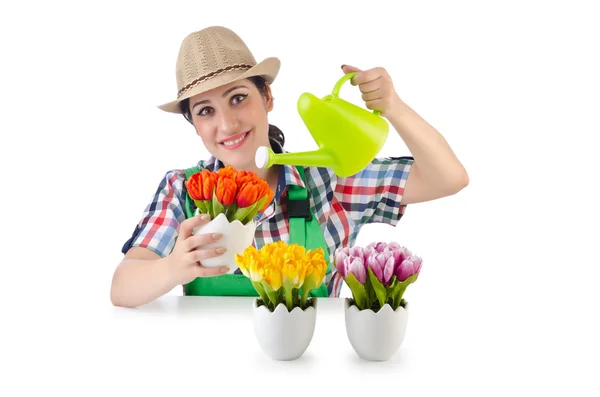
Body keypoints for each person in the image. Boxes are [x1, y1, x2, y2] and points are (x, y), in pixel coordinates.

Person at [110, 26, 469, 308]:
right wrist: (171, 268)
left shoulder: (331, 180)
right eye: (206, 111)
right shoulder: (182, 190)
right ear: (194, 124)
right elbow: (122, 287)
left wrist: (393, 107)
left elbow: (449, 178)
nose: (228, 124)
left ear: (266, 97)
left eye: (238, 98)